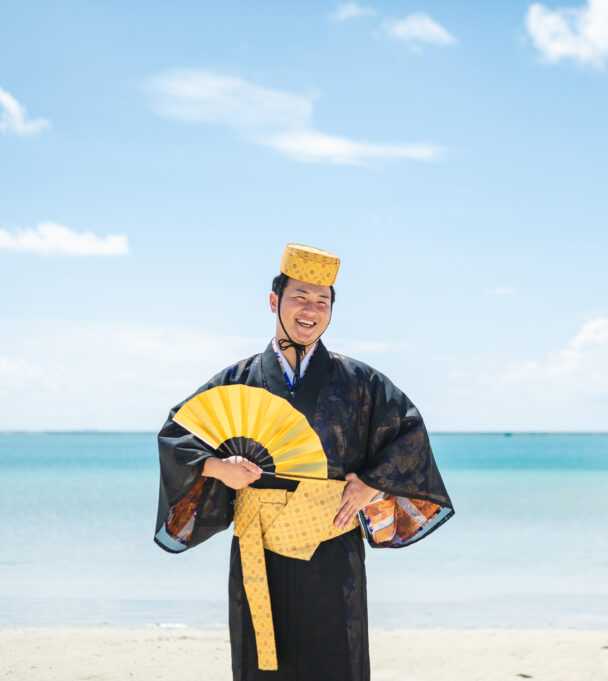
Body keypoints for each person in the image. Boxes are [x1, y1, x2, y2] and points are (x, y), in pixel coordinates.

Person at [154, 244, 453, 681]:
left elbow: (409, 434)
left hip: (332, 541)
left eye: (322, 301)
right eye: (300, 297)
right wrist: (221, 468)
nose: (311, 310)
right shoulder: (238, 379)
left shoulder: (360, 381)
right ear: (274, 301)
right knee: (261, 662)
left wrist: (371, 484)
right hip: (258, 544)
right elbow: (176, 435)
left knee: (336, 661)